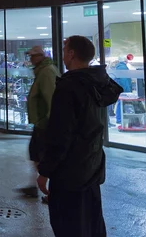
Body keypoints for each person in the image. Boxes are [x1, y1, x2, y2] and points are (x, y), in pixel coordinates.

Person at [37, 36, 122, 237]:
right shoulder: (96, 84)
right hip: (91, 166)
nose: (63, 52)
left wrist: (45, 171)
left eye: (65, 48)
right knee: (91, 223)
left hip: (70, 173)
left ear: (72, 54)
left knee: (68, 224)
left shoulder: (69, 87)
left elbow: (61, 134)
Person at [20, 46, 60, 200]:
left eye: (32, 56)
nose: (30, 59)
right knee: (35, 154)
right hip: (40, 123)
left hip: (45, 124)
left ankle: (53, 192)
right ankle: (35, 186)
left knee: (45, 157)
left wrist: (50, 122)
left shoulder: (47, 72)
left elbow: (52, 99)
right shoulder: (42, 71)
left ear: (40, 57)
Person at [114, 56, 133, 126]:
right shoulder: (123, 67)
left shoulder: (119, 66)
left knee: (120, 103)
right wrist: (128, 91)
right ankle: (119, 119)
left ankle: (119, 118)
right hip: (124, 89)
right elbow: (124, 80)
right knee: (121, 103)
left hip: (121, 88)